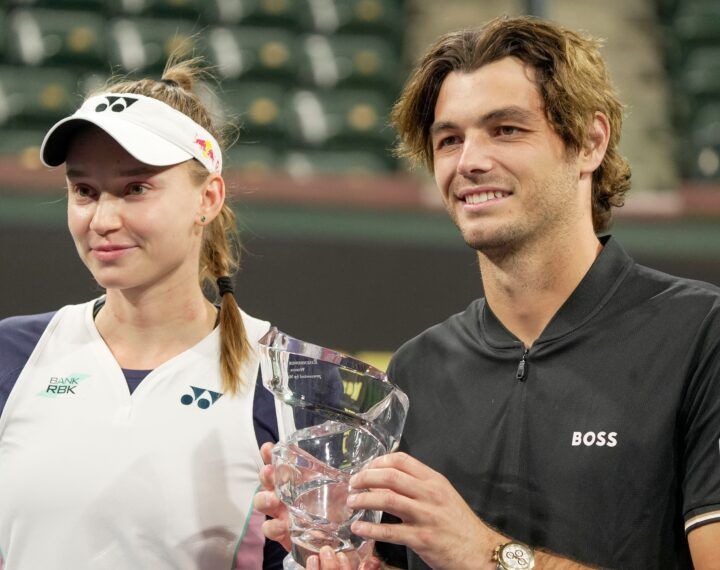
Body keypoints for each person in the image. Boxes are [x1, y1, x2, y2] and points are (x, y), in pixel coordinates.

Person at [254, 15, 720, 569]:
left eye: (507, 130)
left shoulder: (699, 333)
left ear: (591, 142)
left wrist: (487, 553)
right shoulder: (416, 369)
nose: (470, 162)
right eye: (449, 140)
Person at [0, 59, 287, 569]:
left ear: (208, 197)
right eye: (83, 190)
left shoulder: (281, 379)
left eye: (136, 188)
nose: (103, 220)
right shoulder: (8, 356)